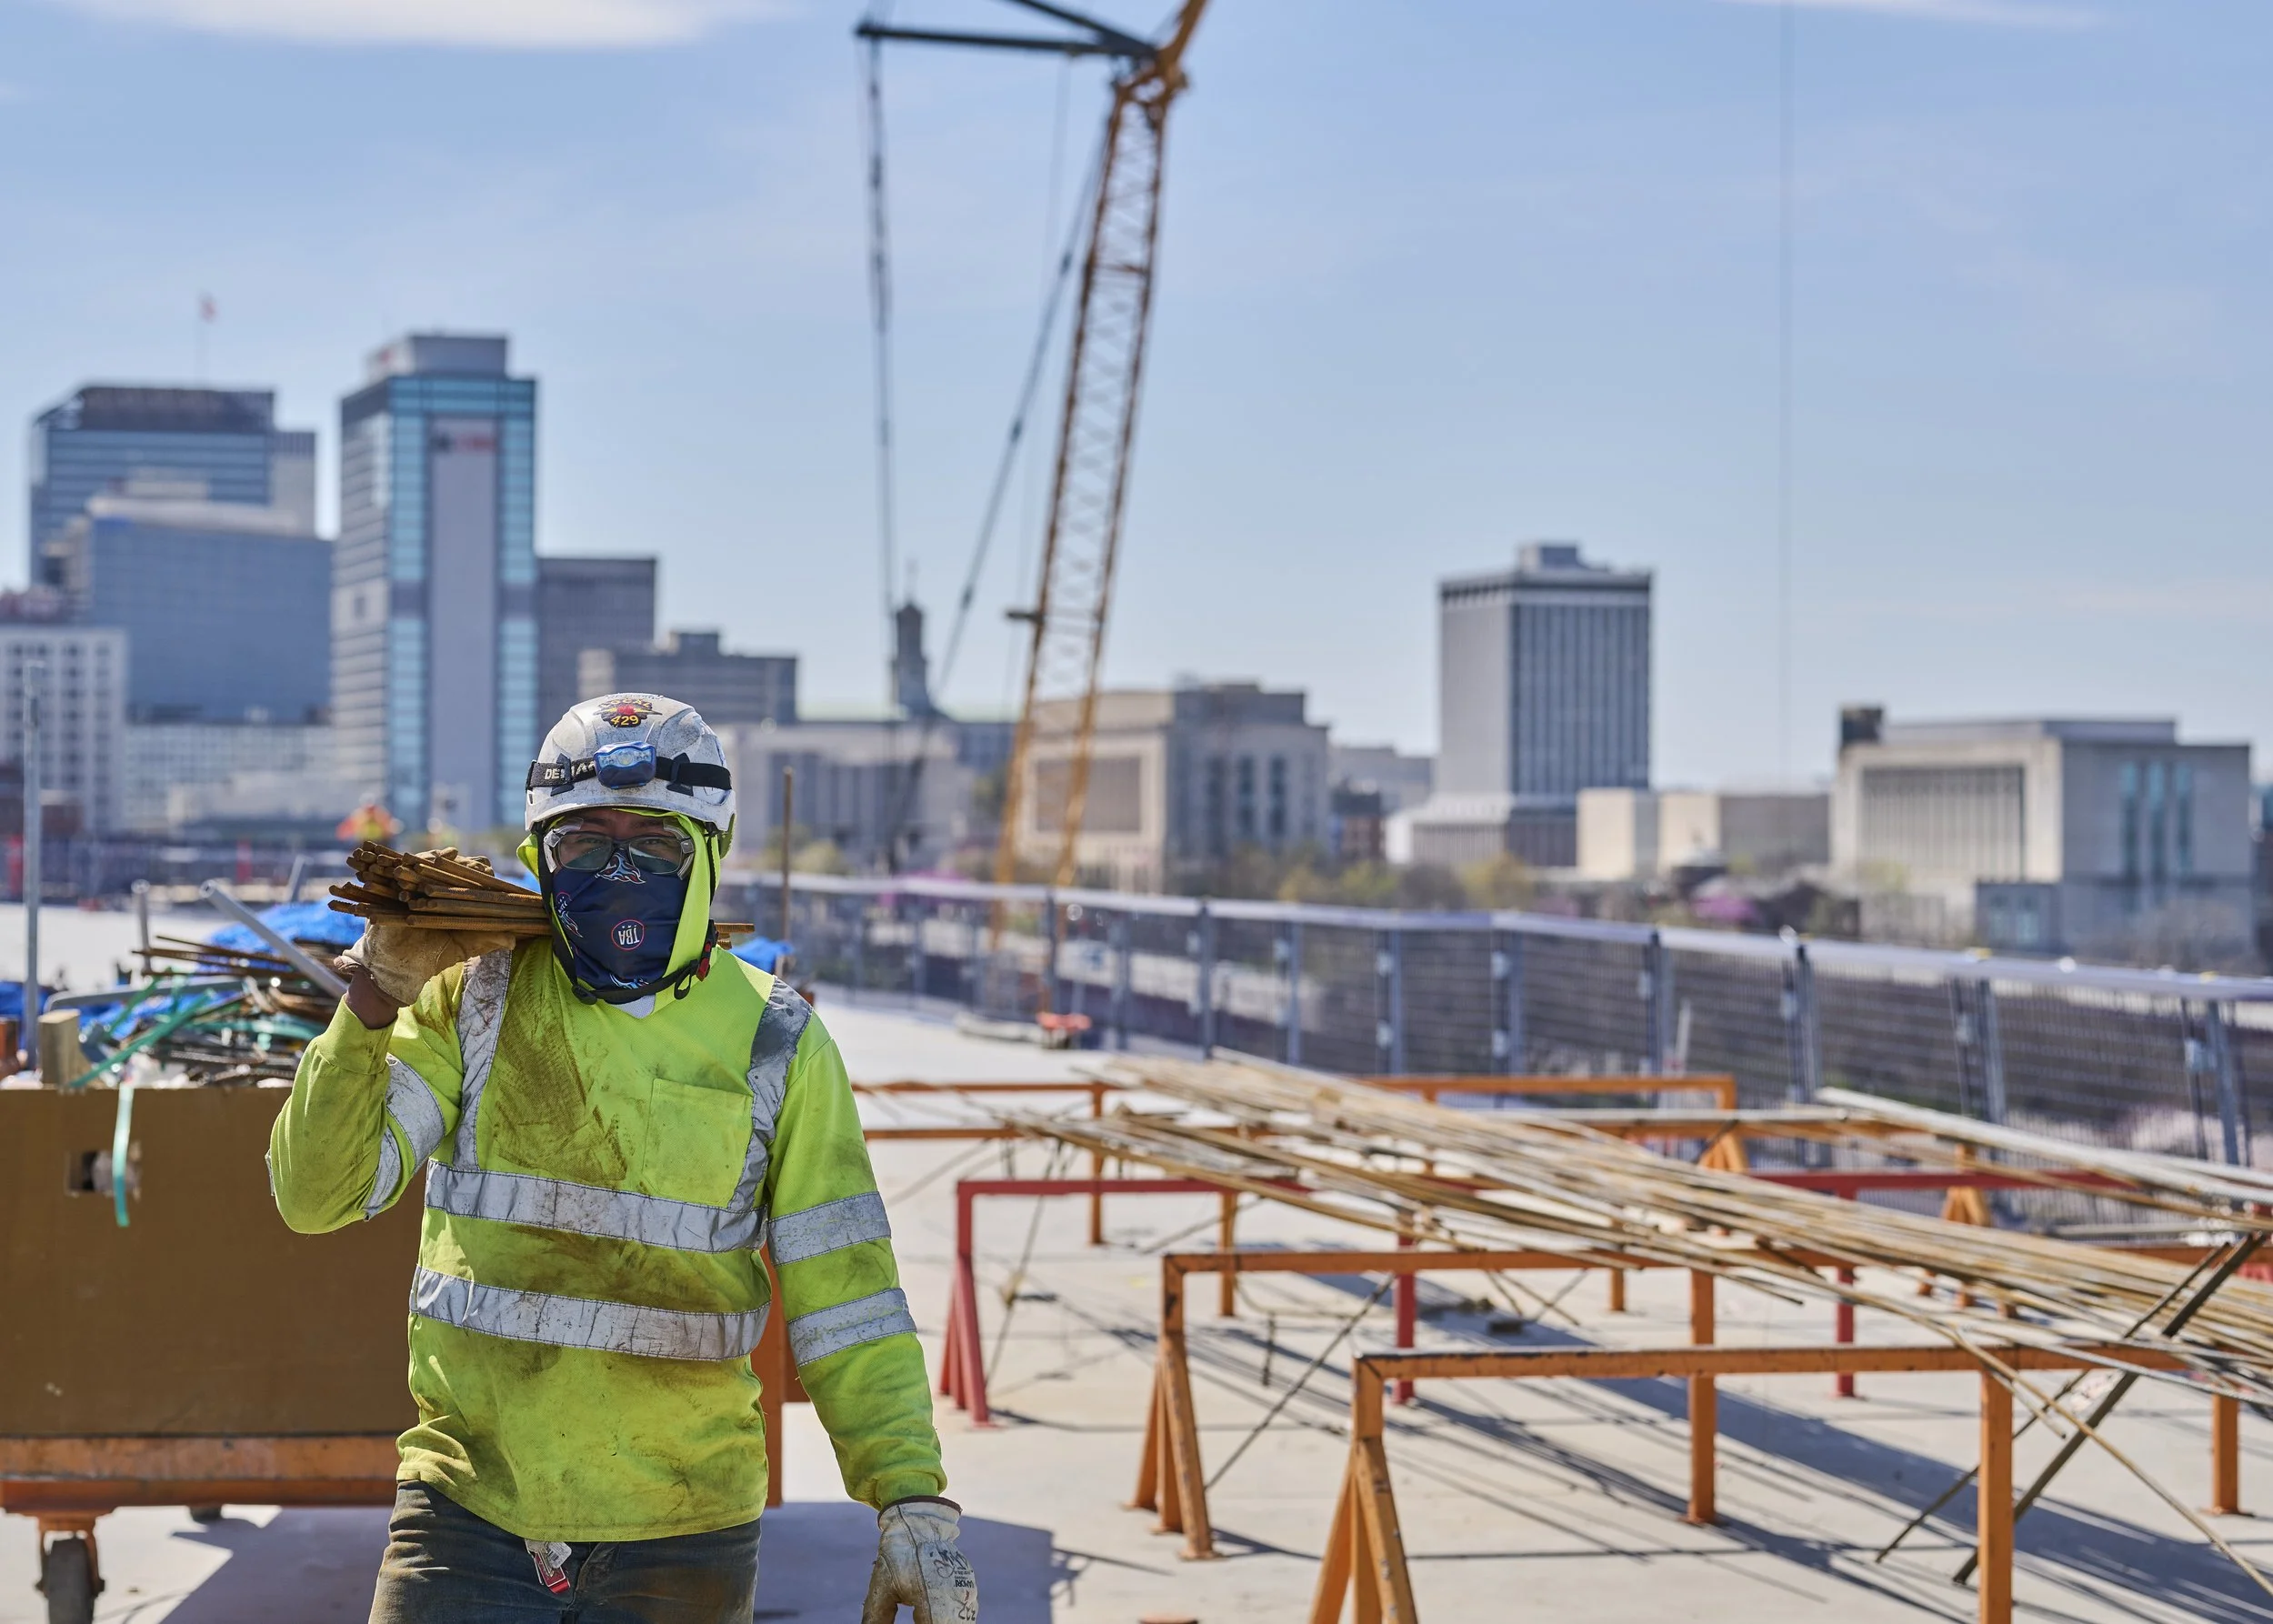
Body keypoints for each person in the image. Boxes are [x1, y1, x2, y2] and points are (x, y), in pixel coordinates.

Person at [269, 694, 976, 1624]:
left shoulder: (776, 1041)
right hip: (467, 1507)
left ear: (710, 854)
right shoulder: (471, 1002)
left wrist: (910, 1498)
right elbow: (317, 1196)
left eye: (654, 847)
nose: (618, 872)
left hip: (682, 1524)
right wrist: (372, 995)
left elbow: (848, 1297)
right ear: (540, 858)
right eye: (583, 846)